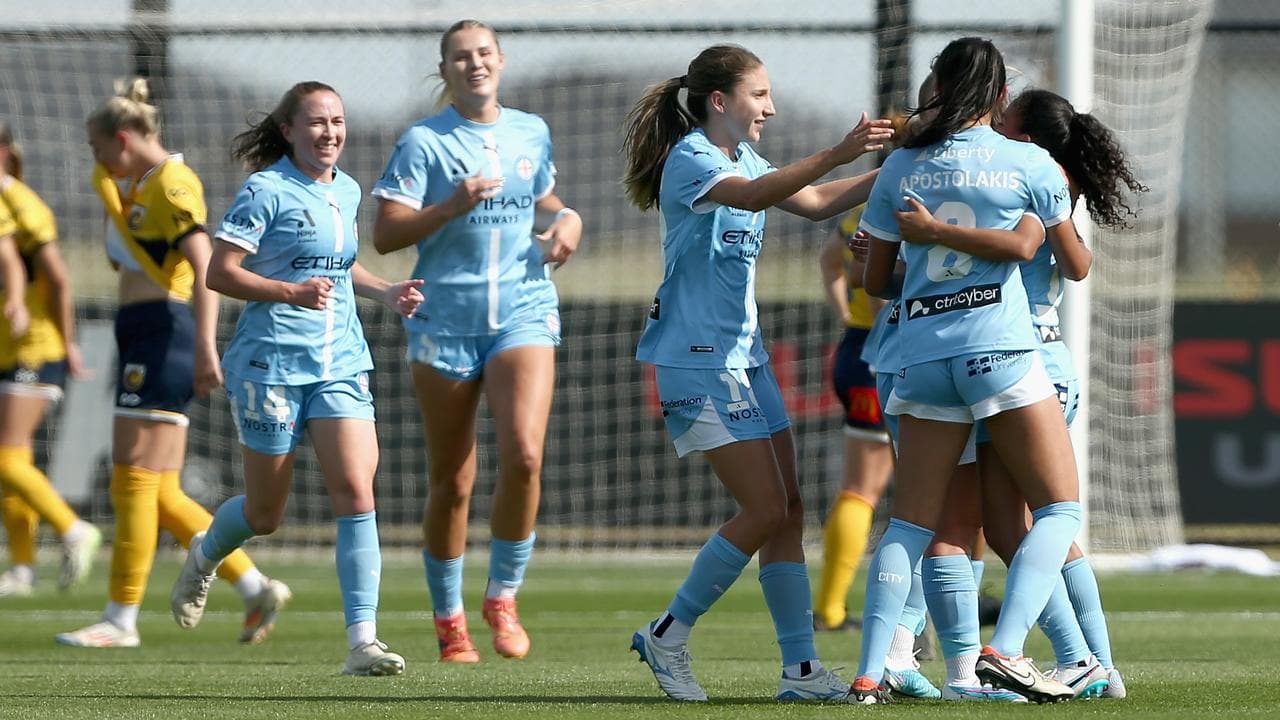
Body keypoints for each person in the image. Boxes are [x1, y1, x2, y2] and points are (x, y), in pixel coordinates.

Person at [620, 43, 893, 702]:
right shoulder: (693, 158)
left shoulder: (742, 155)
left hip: (748, 361)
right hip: (699, 363)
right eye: (759, 94)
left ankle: (800, 671)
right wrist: (839, 150)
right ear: (720, 101)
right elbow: (757, 194)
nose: (770, 107)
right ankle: (667, 633)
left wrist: (896, 170)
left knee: (788, 511)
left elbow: (817, 201)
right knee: (765, 508)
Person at [857, 37, 1085, 704]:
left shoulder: (901, 166)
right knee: (1059, 509)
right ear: (1001, 95)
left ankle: (870, 674)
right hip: (1000, 355)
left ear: (938, 87)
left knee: (911, 524)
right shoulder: (1029, 160)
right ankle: (1007, 650)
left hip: (920, 357)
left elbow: (875, 281)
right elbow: (1068, 260)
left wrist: (928, 271)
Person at [898, 87, 1145, 700]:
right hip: (1006, 363)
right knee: (1013, 529)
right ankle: (1094, 664)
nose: (993, 129)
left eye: (1003, 122)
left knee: (1044, 518)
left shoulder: (1032, 176)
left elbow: (1068, 261)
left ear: (1026, 136)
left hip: (1027, 365)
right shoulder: (1019, 176)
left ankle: (1036, 655)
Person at [169, 81, 422, 676]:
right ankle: (204, 555)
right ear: (288, 131)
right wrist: (288, 292)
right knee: (265, 515)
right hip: (271, 366)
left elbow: (338, 265)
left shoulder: (348, 189)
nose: (329, 132)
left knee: (356, 490)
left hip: (341, 361)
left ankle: (363, 642)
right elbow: (219, 273)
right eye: (316, 122)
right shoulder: (266, 190)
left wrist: (386, 291)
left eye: (337, 121)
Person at [370, 19, 581, 663]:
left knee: (525, 455)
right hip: (445, 321)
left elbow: (546, 200)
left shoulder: (531, 130)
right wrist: (448, 208)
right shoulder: (423, 142)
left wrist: (567, 220)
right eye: (460, 57)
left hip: (523, 308)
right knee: (453, 480)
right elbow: (386, 234)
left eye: (484, 53)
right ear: (445, 70)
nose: (475, 64)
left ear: (501, 60)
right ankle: (449, 620)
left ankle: (503, 597)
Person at [56, 79, 290, 648]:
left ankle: (120, 619)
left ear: (123, 139)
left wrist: (207, 346)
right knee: (159, 490)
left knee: (132, 478)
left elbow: (205, 264)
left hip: (166, 331)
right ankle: (253, 586)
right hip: (145, 331)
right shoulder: (137, 187)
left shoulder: (172, 183)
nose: (96, 160)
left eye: (98, 148)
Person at [0, 120, 103, 598]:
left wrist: (68, 342)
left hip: (35, 346)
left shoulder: (22, 202)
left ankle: (73, 529)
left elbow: (56, 278)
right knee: (14, 461)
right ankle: (22, 568)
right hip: (9, 345)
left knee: (6, 457)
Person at [813, 205, 893, 633]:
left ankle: (831, 607)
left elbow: (829, 259)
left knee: (860, 488)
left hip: (855, 349)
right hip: (881, 358)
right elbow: (881, 290)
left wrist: (845, 313)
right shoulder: (903, 206)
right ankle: (831, 610)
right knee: (866, 488)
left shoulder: (862, 211)